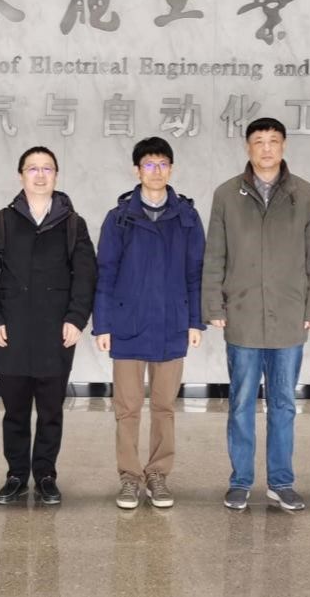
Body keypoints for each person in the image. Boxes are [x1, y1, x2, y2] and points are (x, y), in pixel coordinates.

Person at [202, 117, 310, 512]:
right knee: (241, 403)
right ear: (248, 147)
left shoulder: (304, 194)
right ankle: (240, 482)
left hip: (289, 316)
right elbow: (215, 255)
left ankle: (281, 482)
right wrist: (214, 305)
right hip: (242, 315)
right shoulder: (227, 194)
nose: (266, 148)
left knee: (283, 405)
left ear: (284, 146)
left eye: (273, 141)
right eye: (258, 141)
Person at [0, 146, 97, 506]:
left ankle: (45, 475)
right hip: (10, 331)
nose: (40, 175)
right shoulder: (2, 221)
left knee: (51, 411)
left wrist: (76, 318)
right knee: (14, 411)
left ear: (56, 175)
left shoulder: (72, 224)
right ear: (21, 175)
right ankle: (15, 475)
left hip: (57, 332)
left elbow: (86, 275)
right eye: (32, 169)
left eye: (47, 169)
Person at [93, 137, 206, 509]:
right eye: (148, 165)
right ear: (136, 170)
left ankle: (158, 474)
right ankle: (129, 477)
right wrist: (102, 324)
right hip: (127, 323)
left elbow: (196, 273)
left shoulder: (187, 217)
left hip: (172, 323)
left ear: (171, 169)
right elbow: (105, 273)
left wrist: (195, 321)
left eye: (162, 164)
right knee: (127, 408)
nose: (156, 171)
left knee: (164, 407)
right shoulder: (119, 217)